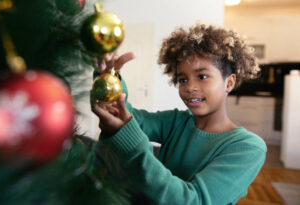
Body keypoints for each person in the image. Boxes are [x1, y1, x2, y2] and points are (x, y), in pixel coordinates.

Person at [91, 24, 267, 205]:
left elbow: (194, 201)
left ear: (229, 83)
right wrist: (109, 80)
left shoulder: (247, 147)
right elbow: (130, 118)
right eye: (182, 79)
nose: (189, 87)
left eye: (202, 76)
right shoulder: (176, 122)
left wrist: (132, 148)